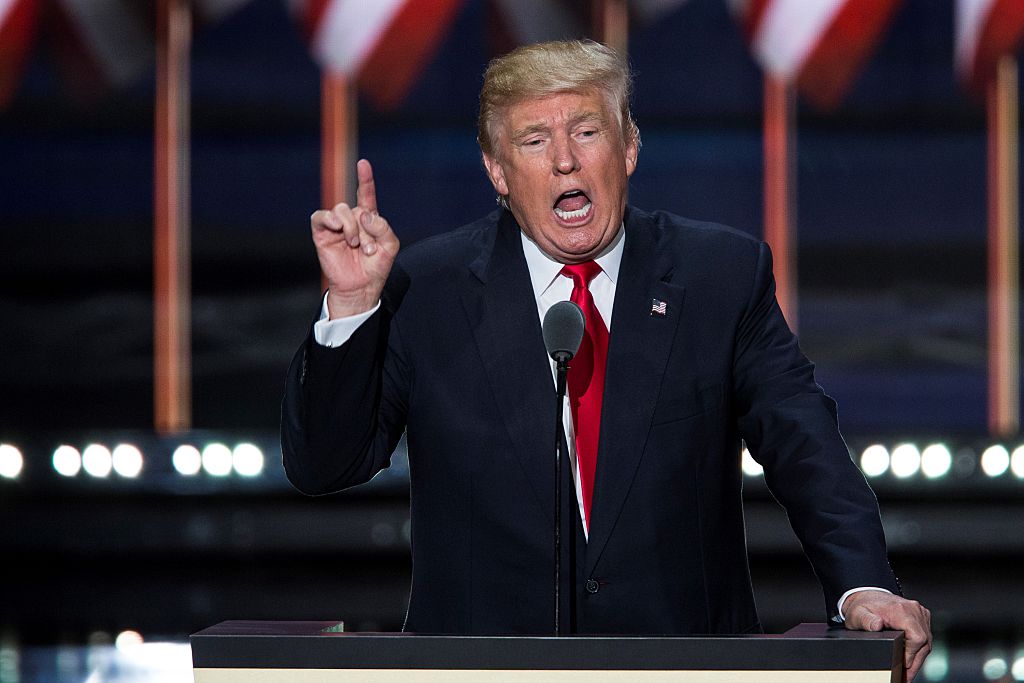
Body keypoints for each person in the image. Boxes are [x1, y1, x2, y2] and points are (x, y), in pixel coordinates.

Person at [282, 39, 932, 680]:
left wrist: (861, 585)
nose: (565, 160)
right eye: (534, 140)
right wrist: (351, 303)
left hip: (688, 668)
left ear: (628, 148)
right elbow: (324, 464)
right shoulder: (426, 289)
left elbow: (804, 443)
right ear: (497, 171)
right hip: (482, 670)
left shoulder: (719, 276)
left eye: (587, 131)